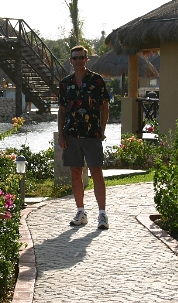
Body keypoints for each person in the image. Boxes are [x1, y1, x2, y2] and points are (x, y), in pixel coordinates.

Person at [57, 45, 110, 229]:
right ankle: (81, 211)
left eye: (81, 57)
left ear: (87, 59)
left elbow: (104, 107)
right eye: (75, 58)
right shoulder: (65, 84)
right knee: (75, 173)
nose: (78, 60)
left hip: (91, 134)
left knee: (96, 172)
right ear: (70, 61)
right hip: (71, 134)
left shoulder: (97, 81)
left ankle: (102, 214)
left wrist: (102, 130)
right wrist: (61, 134)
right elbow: (62, 110)